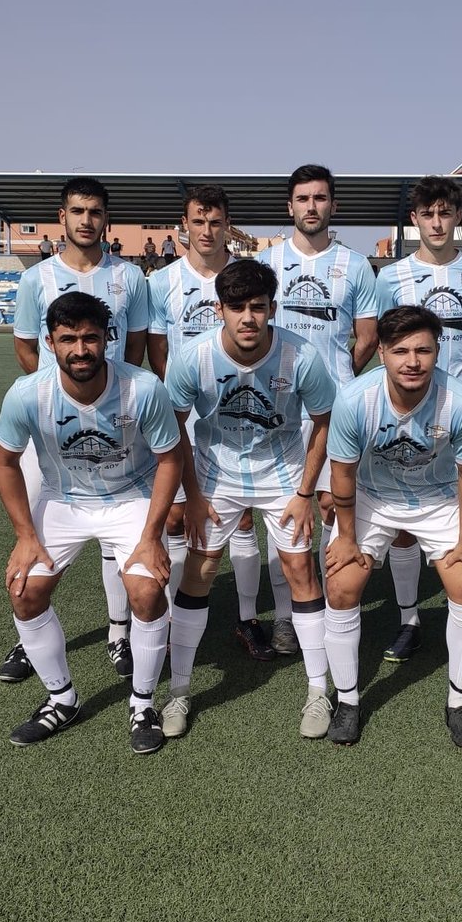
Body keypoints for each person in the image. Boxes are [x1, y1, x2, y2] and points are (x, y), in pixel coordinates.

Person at [0, 292, 181, 753]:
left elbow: (170, 459)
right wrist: (24, 535)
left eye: (91, 338)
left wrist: (153, 535)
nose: (81, 350)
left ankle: (142, 703)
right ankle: (61, 699)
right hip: (65, 500)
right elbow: (4, 463)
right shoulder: (27, 393)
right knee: (24, 589)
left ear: (107, 340)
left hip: (130, 497)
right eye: (68, 339)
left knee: (146, 589)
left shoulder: (143, 388)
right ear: (51, 343)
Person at [163, 260, 336, 740]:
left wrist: (304, 493)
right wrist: (192, 494)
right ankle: (178, 691)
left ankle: (317, 691)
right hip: (215, 476)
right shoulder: (192, 358)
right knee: (199, 571)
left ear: (272, 309)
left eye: (257, 308)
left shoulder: (301, 356)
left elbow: (323, 423)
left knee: (300, 569)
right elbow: (173, 426)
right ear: (219, 309)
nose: (248, 318)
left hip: (283, 476)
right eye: (236, 307)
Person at [0, 177, 151, 686]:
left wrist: (107, 400)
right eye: (78, 211)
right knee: (34, 542)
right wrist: (56, 395)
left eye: (96, 212)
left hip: (113, 424)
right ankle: (28, 642)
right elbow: (26, 351)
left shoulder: (130, 277)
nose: (87, 220)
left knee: (115, 538)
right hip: (52, 432)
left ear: (106, 219)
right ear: (61, 217)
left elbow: (134, 350)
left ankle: (118, 632)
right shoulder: (35, 279)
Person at [323, 306, 462, 747]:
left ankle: (459, 704)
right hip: (373, 498)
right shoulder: (355, 399)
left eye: (423, 350)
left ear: (438, 352)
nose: (412, 361)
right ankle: (347, 700)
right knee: (341, 584)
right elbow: (342, 472)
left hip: (438, 500)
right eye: (400, 351)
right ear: (381, 353)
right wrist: (344, 537)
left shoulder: (461, 401)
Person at [148, 185, 294, 658]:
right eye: (198, 222)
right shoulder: (162, 281)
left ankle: (248, 618)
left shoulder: (247, 279)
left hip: (243, 412)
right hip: (188, 407)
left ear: (226, 226)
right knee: (178, 515)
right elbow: (158, 351)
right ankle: (174, 616)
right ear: (184, 226)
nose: (207, 231)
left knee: (245, 518)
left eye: (215, 223)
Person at [372, 175, 462, 662]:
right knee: (405, 517)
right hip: (404, 408)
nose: (437, 222)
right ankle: (408, 620)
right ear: (415, 219)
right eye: (429, 214)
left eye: (446, 213)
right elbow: (387, 338)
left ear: (458, 217)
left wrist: (459, 367)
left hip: (457, 409)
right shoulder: (391, 277)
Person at [257, 164, 379, 581]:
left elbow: (366, 338)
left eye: (320, 198)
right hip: (278, 405)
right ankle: (289, 615)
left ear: (333, 205)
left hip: (336, 407)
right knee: (281, 511)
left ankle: (328, 597)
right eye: (304, 199)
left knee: (330, 502)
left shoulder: (357, 265)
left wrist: (340, 375)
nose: (312, 206)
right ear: (289, 206)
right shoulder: (265, 262)